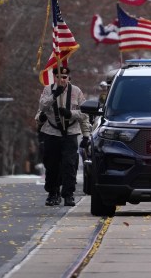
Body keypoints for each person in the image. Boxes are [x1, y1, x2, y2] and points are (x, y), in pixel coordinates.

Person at [37, 66, 90, 207]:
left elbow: (85, 113)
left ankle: (68, 194)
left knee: (69, 165)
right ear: (54, 77)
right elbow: (42, 107)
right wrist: (54, 95)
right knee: (52, 165)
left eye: (64, 77)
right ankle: (53, 193)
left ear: (68, 78)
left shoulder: (76, 91)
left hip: (70, 133)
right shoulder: (48, 90)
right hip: (52, 132)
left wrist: (71, 114)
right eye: (59, 77)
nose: (62, 80)